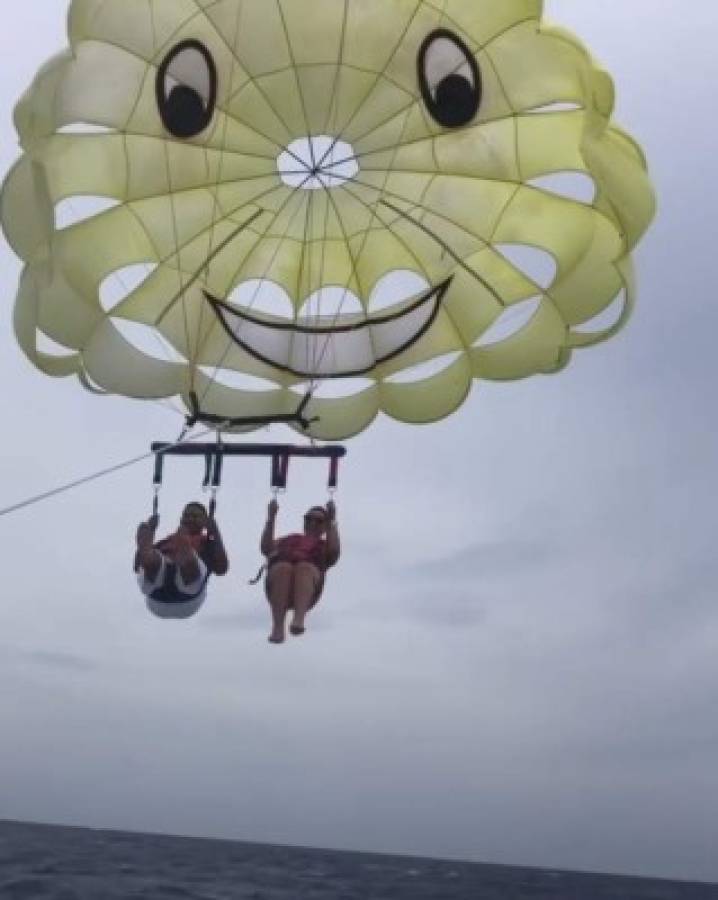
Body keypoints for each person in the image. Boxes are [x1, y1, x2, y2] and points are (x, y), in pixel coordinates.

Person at [261, 499, 340, 643]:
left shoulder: (324, 546)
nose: (312, 523)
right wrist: (271, 518)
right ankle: (278, 627)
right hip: (279, 582)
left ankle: (299, 619)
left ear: (325, 526)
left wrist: (332, 521)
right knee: (283, 568)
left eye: (318, 520)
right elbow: (266, 548)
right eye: (308, 519)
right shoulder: (288, 539)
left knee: (304, 567)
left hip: (307, 585)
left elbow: (334, 552)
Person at [134, 501, 229, 619]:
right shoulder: (166, 542)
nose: (190, 518)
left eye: (195, 516)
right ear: (181, 519)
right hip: (156, 594)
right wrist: (150, 535)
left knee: (191, 567)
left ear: (205, 522)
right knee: (154, 561)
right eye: (187, 515)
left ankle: (187, 559)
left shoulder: (209, 543)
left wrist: (214, 530)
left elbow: (222, 569)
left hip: (187, 598)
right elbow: (138, 566)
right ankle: (162, 560)